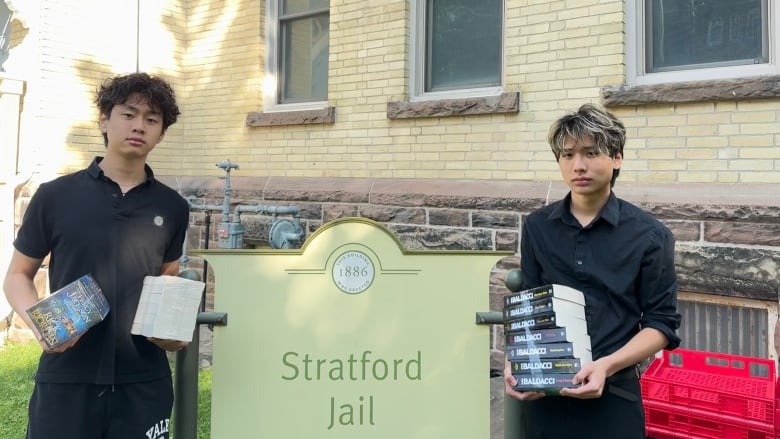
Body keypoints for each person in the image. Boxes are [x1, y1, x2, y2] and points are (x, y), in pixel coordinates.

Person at [3, 72, 190, 439]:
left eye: (152, 120)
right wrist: (41, 325)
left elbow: (168, 279)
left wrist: (174, 331)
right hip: (67, 376)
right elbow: (17, 276)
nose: (139, 126)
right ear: (104, 119)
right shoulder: (55, 196)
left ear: (162, 133)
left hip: (144, 380)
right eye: (128, 114)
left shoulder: (173, 207)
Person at [503, 103, 681, 438]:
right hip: (545, 398)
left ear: (617, 158)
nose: (578, 165)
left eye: (590, 152)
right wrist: (518, 362)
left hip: (613, 397)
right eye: (567, 155)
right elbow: (529, 307)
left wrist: (606, 365)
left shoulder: (650, 236)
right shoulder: (538, 227)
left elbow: (661, 324)